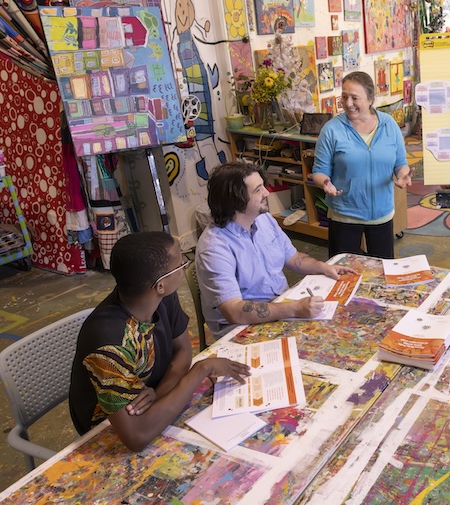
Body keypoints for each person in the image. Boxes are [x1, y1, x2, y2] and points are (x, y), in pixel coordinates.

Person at [69, 232, 251, 451]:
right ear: (160, 284)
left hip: (150, 400)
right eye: (180, 264)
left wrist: (160, 393)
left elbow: (183, 352)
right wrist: (203, 368)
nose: (184, 266)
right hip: (109, 429)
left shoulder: (159, 296)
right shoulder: (109, 343)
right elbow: (136, 436)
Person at [196, 162, 357, 339]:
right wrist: (295, 309)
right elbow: (234, 311)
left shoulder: (263, 219)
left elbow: (294, 258)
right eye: (258, 190)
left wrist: (324, 267)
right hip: (242, 329)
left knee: (347, 323)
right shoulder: (214, 247)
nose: (267, 193)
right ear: (235, 199)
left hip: (281, 308)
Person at [312, 71, 412, 259]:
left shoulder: (389, 125)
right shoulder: (332, 130)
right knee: (343, 273)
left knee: (382, 274)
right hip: (344, 215)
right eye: (344, 97)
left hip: (382, 214)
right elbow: (319, 170)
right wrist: (325, 182)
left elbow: (400, 163)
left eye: (355, 98)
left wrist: (403, 175)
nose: (348, 103)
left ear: (370, 99)